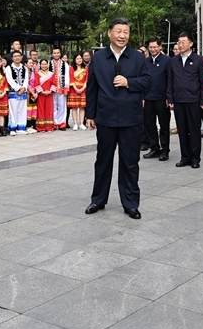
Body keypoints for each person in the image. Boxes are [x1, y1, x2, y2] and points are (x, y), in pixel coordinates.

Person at [85, 18, 151, 218]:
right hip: (105, 117)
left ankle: (130, 203)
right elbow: (92, 88)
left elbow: (148, 81)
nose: (123, 35)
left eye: (126, 32)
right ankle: (98, 200)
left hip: (131, 118)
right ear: (109, 33)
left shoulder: (138, 58)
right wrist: (90, 115)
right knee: (103, 160)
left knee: (130, 162)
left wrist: (128, 82)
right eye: (119, 31)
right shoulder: (98, 58)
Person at [167, 32, 203, 169]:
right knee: (182, 130)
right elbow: (170, 81)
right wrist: (170, 97)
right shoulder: (174, 60)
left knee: (194, 130)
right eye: (179, 42)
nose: (181, 44)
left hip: (194, 101)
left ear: (191, 43)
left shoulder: (198, 60)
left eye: (183, 41)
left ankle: (195, 158)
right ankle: (185, 157)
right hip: (179, 100)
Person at [142, 38, 171, 161]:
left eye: (155, 47)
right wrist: (142, 97)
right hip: (148, 98)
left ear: (160, 47)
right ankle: (154, 148)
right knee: (150, 125)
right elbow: (142, 79)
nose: (153, 49)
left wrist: (169, 97)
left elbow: (170, 80)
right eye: (151, 47)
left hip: (162, 98)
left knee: (164, 125)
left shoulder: (167, 61)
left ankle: (164, 150)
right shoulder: (145, 61)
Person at [5, 50, 29, 135]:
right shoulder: (8, 68)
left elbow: (26, 79)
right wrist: (18, 88)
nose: (17, 58)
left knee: (22, 110)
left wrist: (23, 88)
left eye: (19, 56)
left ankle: (21, 127)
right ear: (12, 58)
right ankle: (13, 128)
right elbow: (10, 80)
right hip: (13, 92)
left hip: (23, 92)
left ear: (21, 57)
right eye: (15, 56)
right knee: (13, 110)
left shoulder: (24, 68)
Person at [50, 47, 71, 130]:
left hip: (62, 88)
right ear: (52, 54)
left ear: (60, 54)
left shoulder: (65, 64)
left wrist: (66, 88)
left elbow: (67, 77)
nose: (56, 54)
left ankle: (62, 123)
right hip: (52, 88)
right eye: (54, 53)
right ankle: (54, 123)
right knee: (53, 106)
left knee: (62, 106)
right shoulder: (49, 63)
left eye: (57, 53)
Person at [35, 59, 56, 132]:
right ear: (40, 65)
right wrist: (42, 92)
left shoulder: (51, 74)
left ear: (47, 65)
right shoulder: (37, 74)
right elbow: (36, 84)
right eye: (42, 64)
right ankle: (41, 127)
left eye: (45, 64)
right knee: (40, 110)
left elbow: (54, 83)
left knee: (49, 110)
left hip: (49, 94)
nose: (44, 66)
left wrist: (50, 91)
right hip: (41, 95)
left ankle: (49, 127)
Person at [68, 54, 88, 130]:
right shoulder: (71, 68)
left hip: (83, 89)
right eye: (77, 58)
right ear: (75, 60)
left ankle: (81, 123)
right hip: (74, 89)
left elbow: (86, 79)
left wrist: (83, 88)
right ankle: (75, 123)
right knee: (74, 107)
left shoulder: (86, 68)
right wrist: (76, 88)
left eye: (80, 58)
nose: (79, 60)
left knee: (82, 107)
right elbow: (71, 79)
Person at [25, 58, 39, 133]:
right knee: (29, 110)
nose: (31, 64)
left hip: (34, 92)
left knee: (34, 109)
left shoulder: (33, 72)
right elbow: (27, 84)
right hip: (29, 93)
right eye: (29, 63)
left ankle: (32, 125)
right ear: (26, 64)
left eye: (32, 63)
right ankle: (28, 126)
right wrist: (32, 93)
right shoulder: (26, 72)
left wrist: (36, 92)